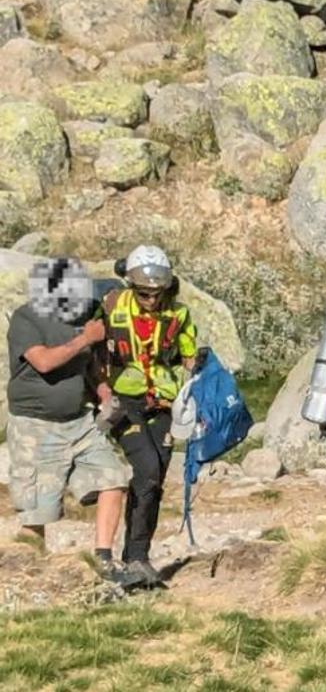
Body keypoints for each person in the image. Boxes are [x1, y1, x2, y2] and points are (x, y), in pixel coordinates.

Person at [5, 258, 131, 585]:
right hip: (35, 426)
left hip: (79, 422)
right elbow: (44, 362)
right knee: (37, 511)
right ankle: (29, 575)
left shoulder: (84, 313)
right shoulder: (26, 318)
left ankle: (103, 560)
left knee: (113, 478)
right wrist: (84, 339)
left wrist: (103, 391)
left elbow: (88, 365)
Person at [96, 245, 197, 587]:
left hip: (164, 403)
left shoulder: (179, 315)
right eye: (143, 293)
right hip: (125, 400)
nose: (151, 300)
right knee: (147, 467)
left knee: (154, 479)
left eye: (157, 293)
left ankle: (139, 555)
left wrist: (195, 380)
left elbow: (188, 355)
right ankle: (128, 557)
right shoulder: (111, 305)